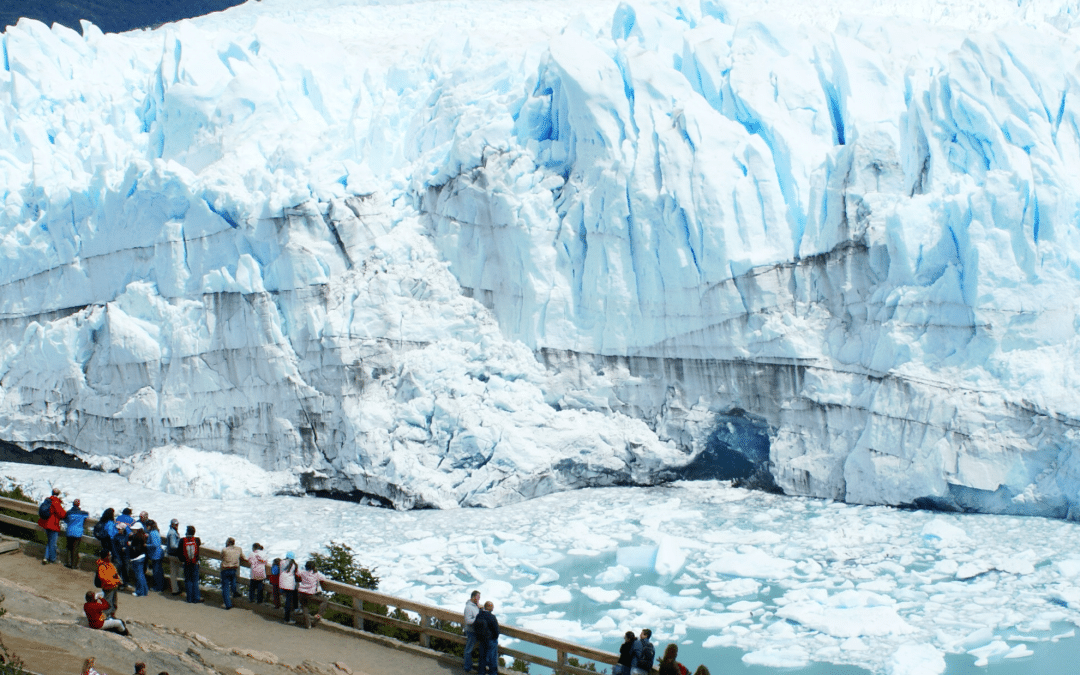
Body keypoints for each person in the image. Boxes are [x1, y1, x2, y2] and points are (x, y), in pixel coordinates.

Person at [36, 487, 66, 565]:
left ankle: (46, 558)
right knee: (53, 543)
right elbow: (62, 514)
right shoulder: (55, 502)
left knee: (49, 542)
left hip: (46, 524)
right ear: (58, 494)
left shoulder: (47, 500)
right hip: (53, 525)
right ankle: (52, 559)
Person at [297, 560, 329, 628]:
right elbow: (323, 578)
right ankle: (318, 615)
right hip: (310, 594)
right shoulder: (316, 574)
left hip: (301, 593)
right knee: (324, 600)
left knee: (304, 607)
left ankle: (308, 624)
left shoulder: (302, 572)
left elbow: (297, 573)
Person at [473, 600, 499, 675]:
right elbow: (496, 631)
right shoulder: (492, 617)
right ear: (490, 607)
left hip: (481, 639)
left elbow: (475, 626)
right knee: (492, 659)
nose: (493, 608)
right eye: (492, 607)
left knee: (482, 658)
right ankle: (493, 673)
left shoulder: (479, 615)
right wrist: (494, 638)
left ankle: (481, 673)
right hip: (490, 640)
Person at [96, 550, 123, 618]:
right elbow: (105, 579)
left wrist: (118, 578)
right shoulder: (102, 566)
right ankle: (104, 617)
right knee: (108, 603)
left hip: (114, 587)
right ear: (106, 557)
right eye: (109, 555)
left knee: (114, 603)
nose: (111, 556)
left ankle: (111, 615)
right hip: (108, 587)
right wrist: (117, 581)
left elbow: (115, 572)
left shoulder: (110, 564)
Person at [64, 498, 90, 569]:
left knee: (69, 548)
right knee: (75, 548)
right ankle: (74, 564)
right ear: (79, 505)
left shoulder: (69, 512)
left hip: (69, 531)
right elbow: (87, 514)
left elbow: (66, 520)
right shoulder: (82, 513)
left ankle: (68, 563)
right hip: (78, 533)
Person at [179, 525, 202, 603]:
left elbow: (179, 552)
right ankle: (196, 598)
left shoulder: (182, 540)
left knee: (188, 580)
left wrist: (182, 560)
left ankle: (189, 598)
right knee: (195, 581)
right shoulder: (197, 540)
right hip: (195, 563)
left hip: (186, 563)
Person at [220, 537, 242, 609]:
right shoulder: (238, 549)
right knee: (233, 582)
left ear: (228, 543)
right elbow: (243, 557)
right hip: (234, 569)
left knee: (225, 587)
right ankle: (235, 593)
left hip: (225, 569)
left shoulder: (224, 550)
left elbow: (221, 557)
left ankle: (228, 604)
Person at [462, 589, 481, 672]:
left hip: (475, 631)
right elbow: (468, 620)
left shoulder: (475, 606)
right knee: (468, 650)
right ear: (473, 597)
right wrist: (478, 620)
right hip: (471, 632)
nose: (479, 598)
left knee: (471, 649)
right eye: (478, 597)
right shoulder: (469, 607)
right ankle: (467, 667)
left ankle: (470, 665)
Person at [279, 552, 300, 624]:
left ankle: (287, 616)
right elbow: (297, 574)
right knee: (288, 602)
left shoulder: (281, 562)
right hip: (290, 585)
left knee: (286, 600)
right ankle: (287, 619)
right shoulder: (294, 565)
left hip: (281, 583)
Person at [130, 522, 149, 597]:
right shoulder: (143, 536)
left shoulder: (137, 537)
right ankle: (144, 591)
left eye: (135, 529)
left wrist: (130, 546)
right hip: (141, 557)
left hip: (137, 558)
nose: (133, 530)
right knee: (141, 575)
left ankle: (140, 592)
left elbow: (137, 549)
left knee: (139, 576)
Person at [146, 520, 165, 592]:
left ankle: (158, 587)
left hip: (155, 555)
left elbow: (155, 545)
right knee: (159, 571)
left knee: (156, 572)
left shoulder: (152, 533)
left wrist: (146, 545)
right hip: (159, 554)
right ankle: (160, 586)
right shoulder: (156, 532)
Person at [166, 519, 182, 595]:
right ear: (172, 524)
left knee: (173, 573)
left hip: (170, 554)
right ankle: (176, 589)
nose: (176, 526)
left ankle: (174, 590)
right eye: (175, 524)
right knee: (175, 572)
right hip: (174, 554)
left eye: (177, 524)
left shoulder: (171, 531)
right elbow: (173, 545)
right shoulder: (172, 533)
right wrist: (181, 546)